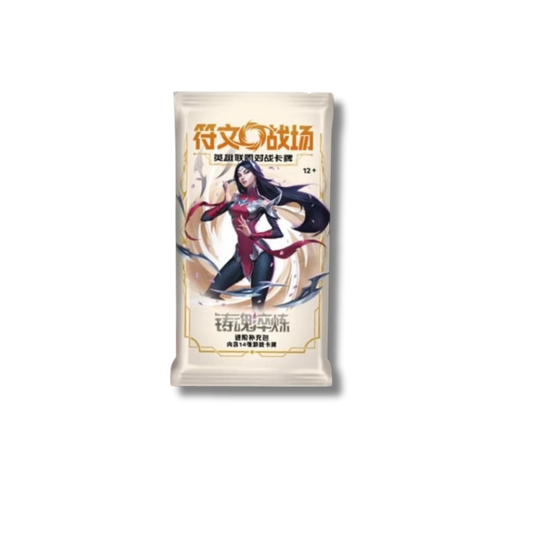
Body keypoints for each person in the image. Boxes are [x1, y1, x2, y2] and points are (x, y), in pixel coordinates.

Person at [185, 160, 330, 309]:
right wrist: (225, 203)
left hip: (261, 256)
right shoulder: (234, 198)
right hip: (240, 255)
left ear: (255, 174)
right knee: (211, 293)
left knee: (257, 306)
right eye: (239, 174)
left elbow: (277, 232)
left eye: (246, 172)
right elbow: (205, 217)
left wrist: (252, 235)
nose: (242, 177)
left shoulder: (264, 203)